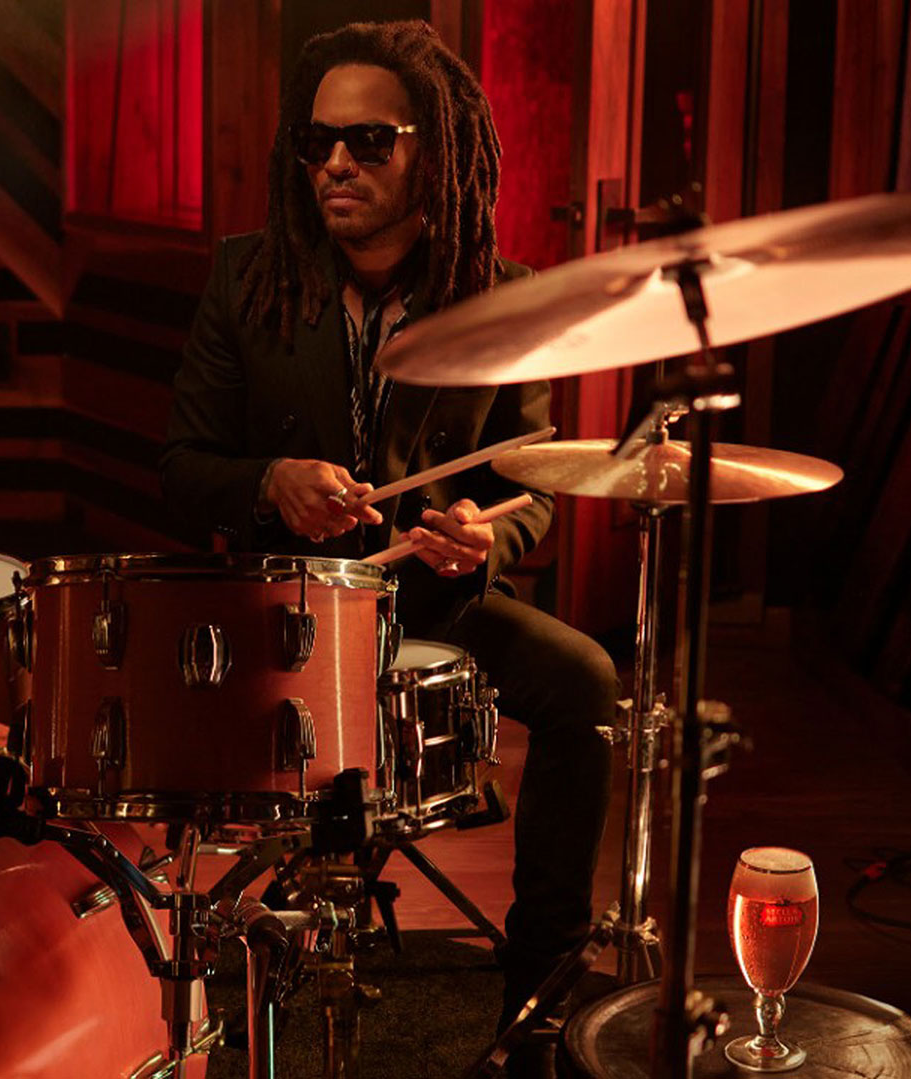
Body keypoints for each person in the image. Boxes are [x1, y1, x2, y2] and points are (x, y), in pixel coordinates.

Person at [160, 20, 616, 1075]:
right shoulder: (246, 279)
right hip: (279, 606)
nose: (335, 163)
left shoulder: (500, 295)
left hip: (432, 602)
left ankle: (540, 986)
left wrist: (481, 540)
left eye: (368, 142)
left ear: (434, 154)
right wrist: (268, 481)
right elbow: (181, 465)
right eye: (317, 142)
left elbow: (535, 485)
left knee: (585, 679)